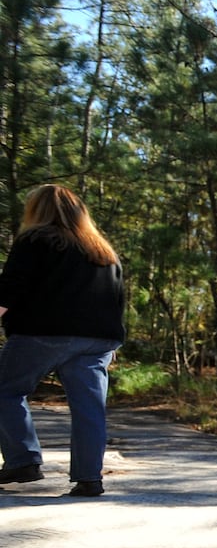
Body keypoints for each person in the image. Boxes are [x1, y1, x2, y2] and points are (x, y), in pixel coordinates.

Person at [0, 184, 126, 498]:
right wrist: (112, 344)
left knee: (5, 390)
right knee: (89, 408)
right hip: (98, 339)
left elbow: (10, 288)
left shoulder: (36, 239)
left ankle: (23, 460)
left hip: (44, 333)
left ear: (37, 211)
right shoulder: (103, 251)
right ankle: (89, 479)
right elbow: (117, 299)